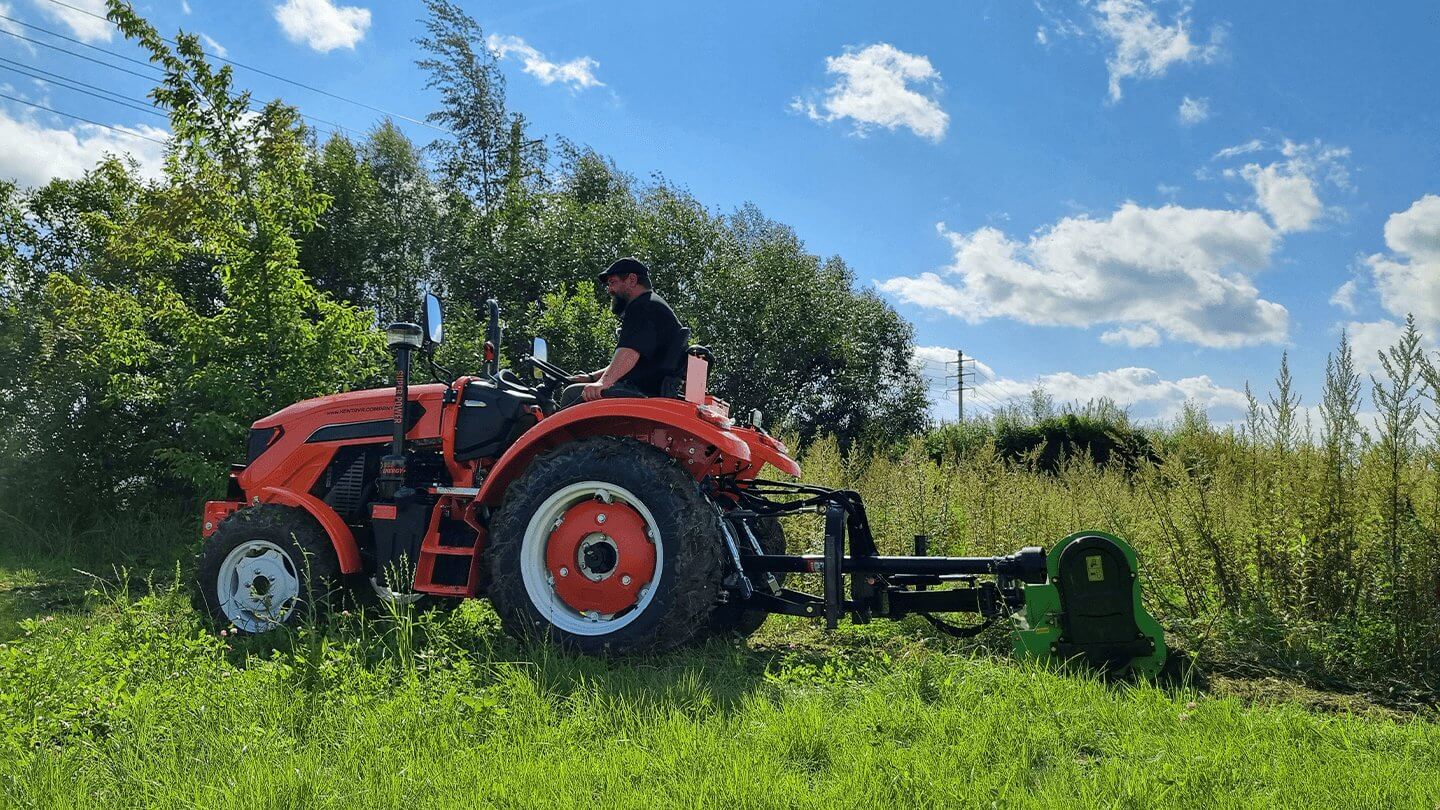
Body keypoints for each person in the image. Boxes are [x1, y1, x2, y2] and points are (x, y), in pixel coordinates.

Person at [560, 257, 685, 407]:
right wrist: (592, 378)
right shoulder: (653, 305)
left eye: (613, 282)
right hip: (648, 389)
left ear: (632, 279)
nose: (610, 290)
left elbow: (630, 353)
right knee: (580, 389)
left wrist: (603, 383)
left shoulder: (642, 306)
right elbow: (625, 361)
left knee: (571, 394)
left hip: (641, 391)